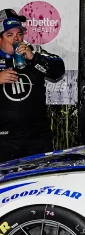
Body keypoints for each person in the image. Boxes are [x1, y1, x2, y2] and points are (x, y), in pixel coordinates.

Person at [0, 10, 65, 162]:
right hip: (5, 139)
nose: (16, 39)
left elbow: (58, 70)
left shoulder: (34, 53)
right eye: (9, 35)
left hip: (36, 137)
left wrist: (33, 57)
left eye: (19, 34)